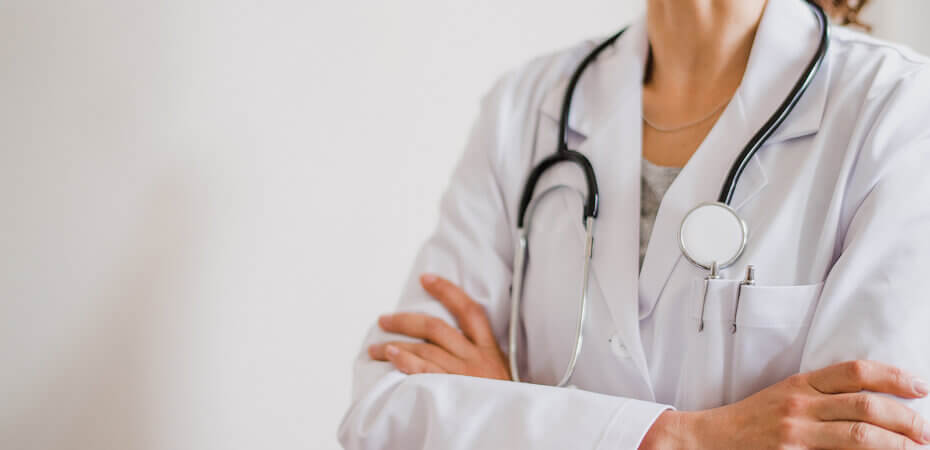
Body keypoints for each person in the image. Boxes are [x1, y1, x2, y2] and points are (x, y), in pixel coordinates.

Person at [339, 0, 930, 448]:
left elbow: (869, 437)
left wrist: (512, 413)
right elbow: (388, 409)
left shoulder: (897, 111)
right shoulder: (523, 107)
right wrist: (681, 437)